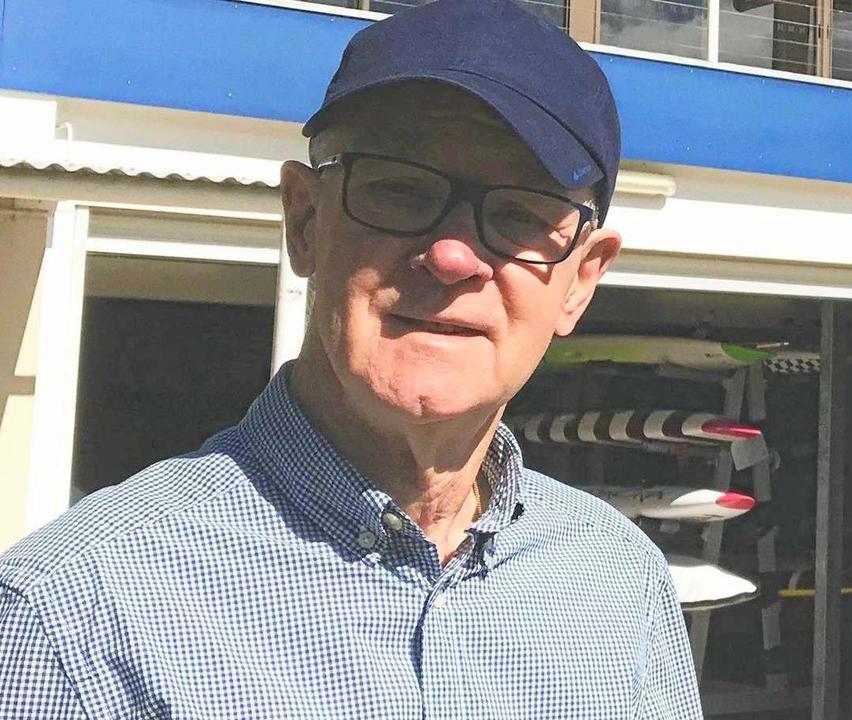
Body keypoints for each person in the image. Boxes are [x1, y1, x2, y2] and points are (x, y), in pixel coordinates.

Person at [0, 0, 703, 717]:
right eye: (399, 188)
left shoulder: (620, 583)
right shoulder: (70, 616)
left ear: (580, 282)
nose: (455, 256)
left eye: (520, 214)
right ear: (305, 221)